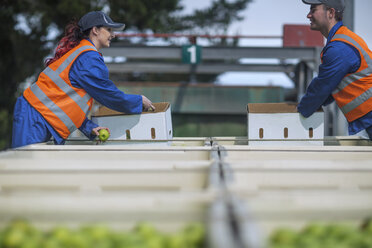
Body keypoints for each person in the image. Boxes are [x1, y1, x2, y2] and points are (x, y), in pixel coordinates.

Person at [12, 11, 155, 148]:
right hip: (35, 116)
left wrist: (89, 128)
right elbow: (107, 94)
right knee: (24, 165)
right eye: (109, 29)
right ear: (95, 30)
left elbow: (68, 104)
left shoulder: (83, 53)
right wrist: (138, 101)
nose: (113, 34)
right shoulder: (88, 57)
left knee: (31, 168)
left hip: (37, 115)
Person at [298, 0, 372, 140]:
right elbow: (330, 89)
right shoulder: (342, 40)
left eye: (313, 10)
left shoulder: (339, 47)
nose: (308, 15)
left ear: (331, 13)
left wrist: (299, 112)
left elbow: (323, 86)